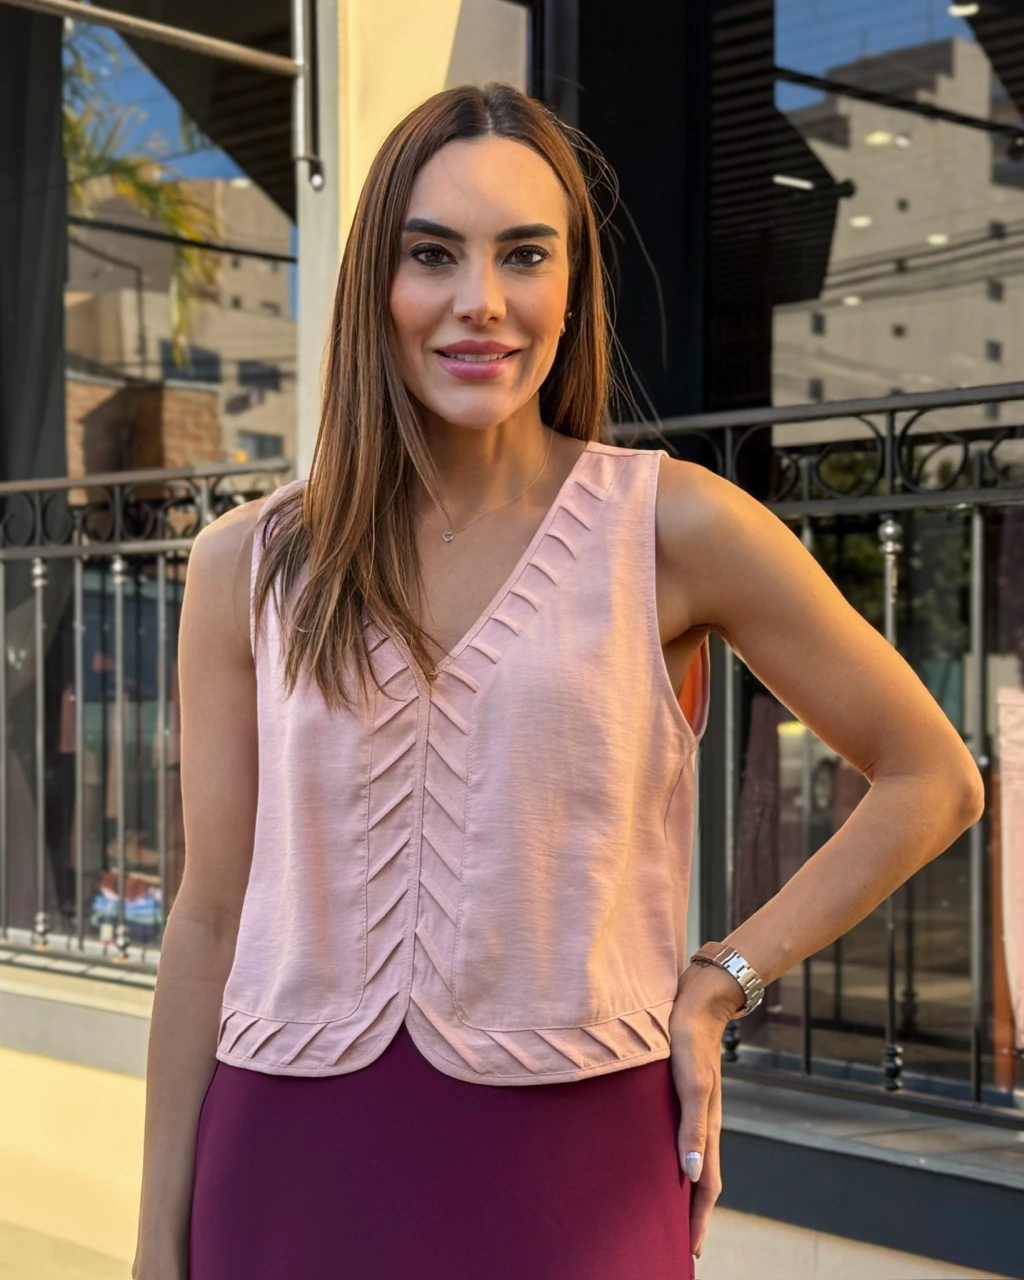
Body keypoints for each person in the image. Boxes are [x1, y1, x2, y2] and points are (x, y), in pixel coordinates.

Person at [131, 82, 984, 1280]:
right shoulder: (247, 561)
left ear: (573, 285)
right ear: (375, 281)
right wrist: (154, 1239)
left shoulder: (672, 527)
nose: (480, 300)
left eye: (524, 254)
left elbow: (931, 777)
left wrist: (721, 980)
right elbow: (210, 913)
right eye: (433, 253)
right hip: (284, 1157)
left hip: (576, 1164)